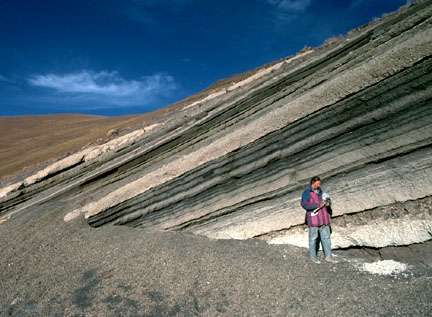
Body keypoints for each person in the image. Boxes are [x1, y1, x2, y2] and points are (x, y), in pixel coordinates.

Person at [300, 176, 337, 264]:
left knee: (326, 238)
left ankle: (328, 256)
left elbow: (327, 204)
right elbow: (304, 205)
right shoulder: (306, 193)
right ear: (312, 183)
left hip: (324, 219)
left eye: (319, 183)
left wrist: (328, 203)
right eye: (317, 183)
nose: (319, 185)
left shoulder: (323, 193)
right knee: (313, 239)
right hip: (314, 220)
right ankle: (313, 257)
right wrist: (317, 205)